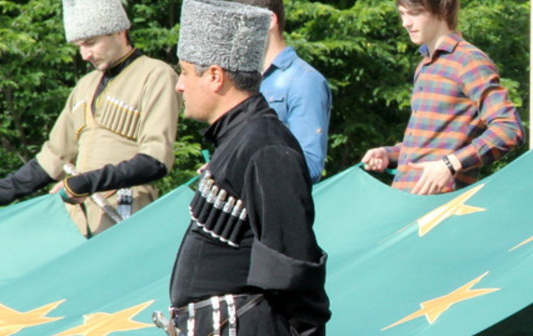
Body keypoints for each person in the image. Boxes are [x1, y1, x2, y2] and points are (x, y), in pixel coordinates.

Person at [164, 0, 330, 335]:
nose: (179, 85)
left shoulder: (266, 147)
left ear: (215, 76)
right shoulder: (237, 138)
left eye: (184, 71)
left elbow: (293, 270)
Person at [0, 0, 180, 237]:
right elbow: (51, 159)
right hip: (76, 223)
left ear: (119, 30)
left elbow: (156, 161)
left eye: (90, 43)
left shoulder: (156, 75)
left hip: (127, 215)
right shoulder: (84, 86)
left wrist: (87, 182)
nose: (85, 55)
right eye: (79, 46)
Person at [362, 0, 524, 195]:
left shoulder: (469, 60)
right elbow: (430, 142)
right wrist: (390, 154)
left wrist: (451, 164)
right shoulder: (426, 64)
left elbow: (509, 128)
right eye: (402, 14)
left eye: (414, 13)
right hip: (405, 197)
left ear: (442, 10)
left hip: (441, 207)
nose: (405, 22)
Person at [231, 0, 331, 183]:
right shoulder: (242, 80)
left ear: (270, 20)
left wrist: (241, 169)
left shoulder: (304, 80)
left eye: (242, 21)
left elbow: (310, 165)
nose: (233, 32)